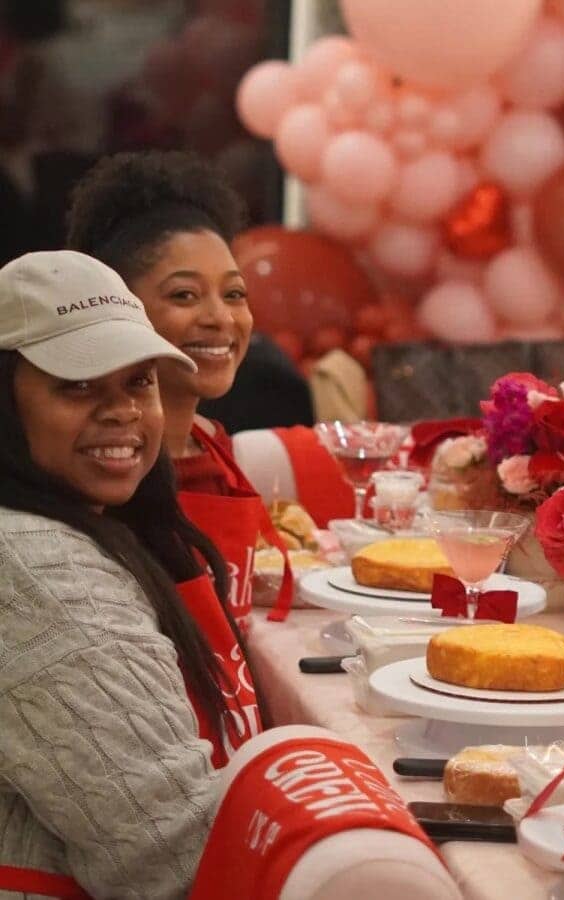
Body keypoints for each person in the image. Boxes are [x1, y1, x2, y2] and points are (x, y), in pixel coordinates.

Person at [0, 250, 236, 896]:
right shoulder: (36, 568)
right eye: (77, 385)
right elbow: (175, 863)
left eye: (139, 382)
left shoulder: (92, 518)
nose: (123, 412)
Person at [65, 150, 295, 623]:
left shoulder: (211, 443)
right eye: (184, 295)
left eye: (234, 294)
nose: (220, 319)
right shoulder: (104, 471)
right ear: (120, 306)